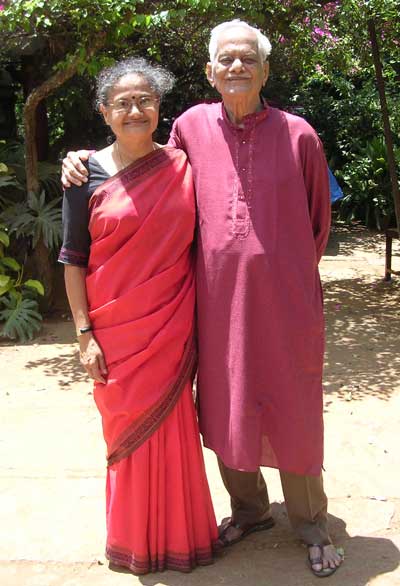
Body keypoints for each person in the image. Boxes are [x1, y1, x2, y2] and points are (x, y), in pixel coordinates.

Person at [61, 21, 344, 578]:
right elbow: (142, 168)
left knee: (294, 411)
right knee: (226, 408)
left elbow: (318, 222)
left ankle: (312, 524)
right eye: (226, 60)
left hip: (286, 306)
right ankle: (251, 510)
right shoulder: (190, 127)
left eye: (248, 59)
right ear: (210, 72)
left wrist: (278, 273)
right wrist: (81, 160)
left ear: (265, 70)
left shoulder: (299, 135)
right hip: (214, 308)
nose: (237, 68)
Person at [58, 57, 218, 575]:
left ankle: (182, 538)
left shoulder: (182, 166)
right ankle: (133, 541)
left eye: (144, 99)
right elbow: (73, 260)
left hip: (171, 326)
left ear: (159, 107)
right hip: (115, 332)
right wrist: (85, 334)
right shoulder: (84, 175)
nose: (134, 109)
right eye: (122, 102)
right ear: (105, 113)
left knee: (174, 427)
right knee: (126, 434)